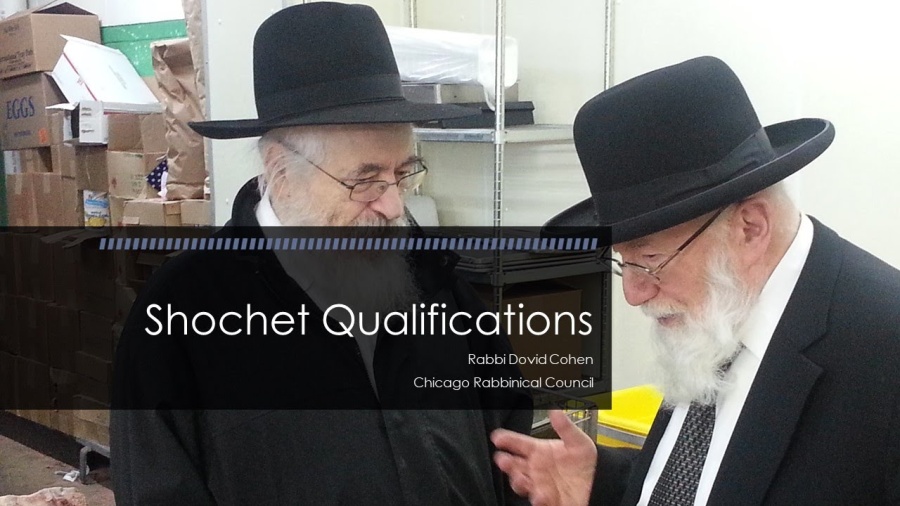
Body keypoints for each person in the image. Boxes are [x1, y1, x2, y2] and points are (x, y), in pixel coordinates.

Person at [110, 3, 531, 505]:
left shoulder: (434, 281)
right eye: (364, 181)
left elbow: (509, 435)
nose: (394, 206)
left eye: (402, 173)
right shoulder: (180, 315)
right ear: (282, 174)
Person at [491, 56, 900, 505]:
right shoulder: (717, 316)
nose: (633, 293)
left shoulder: (885, 349)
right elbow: (719, 475)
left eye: (650, 259)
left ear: (750, 228)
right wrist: (605, 484)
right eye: (623, 262)